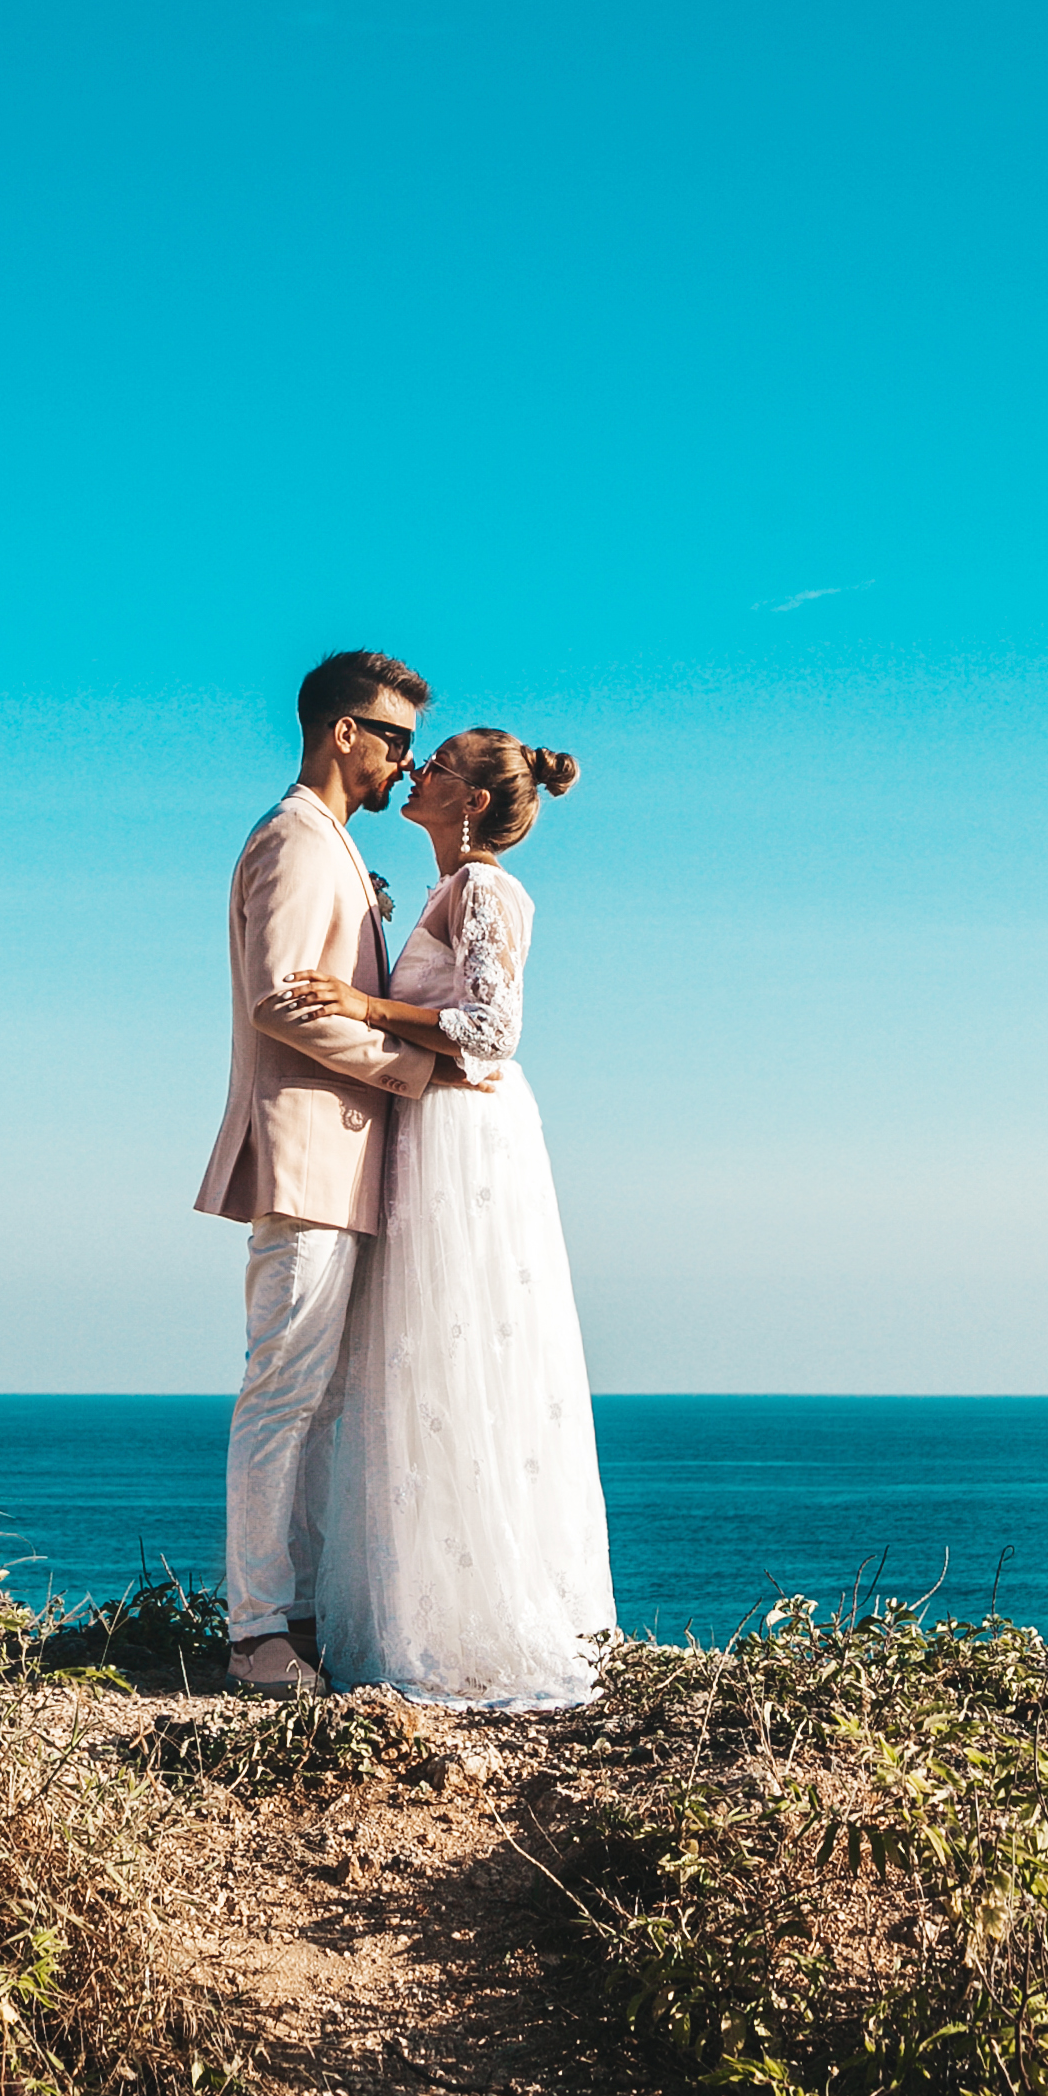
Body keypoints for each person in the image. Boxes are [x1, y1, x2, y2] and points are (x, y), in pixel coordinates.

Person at [274, 727, 615, 1708]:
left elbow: (491, 1029)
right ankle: (425, 1613)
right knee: (415, 1364)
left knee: (461, 1356)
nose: (417, 770)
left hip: (465, 1129)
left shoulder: (483, 889)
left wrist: (362, 1005)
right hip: (428, 1126)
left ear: (468, 800)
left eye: (439, 763)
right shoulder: (441, 890)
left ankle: (476, 1625)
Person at [194, 650, 449, 1698]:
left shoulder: (333, 848)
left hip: (343, 1166)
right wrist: (418, 1072)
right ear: (344, 733)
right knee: (283, 1394)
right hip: (306, 1156)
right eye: (394, 737)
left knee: (322, 1403)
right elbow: (281, 1004)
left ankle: (290, 1615)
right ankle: (255, 1629)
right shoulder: (296, 841)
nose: (407, 759)